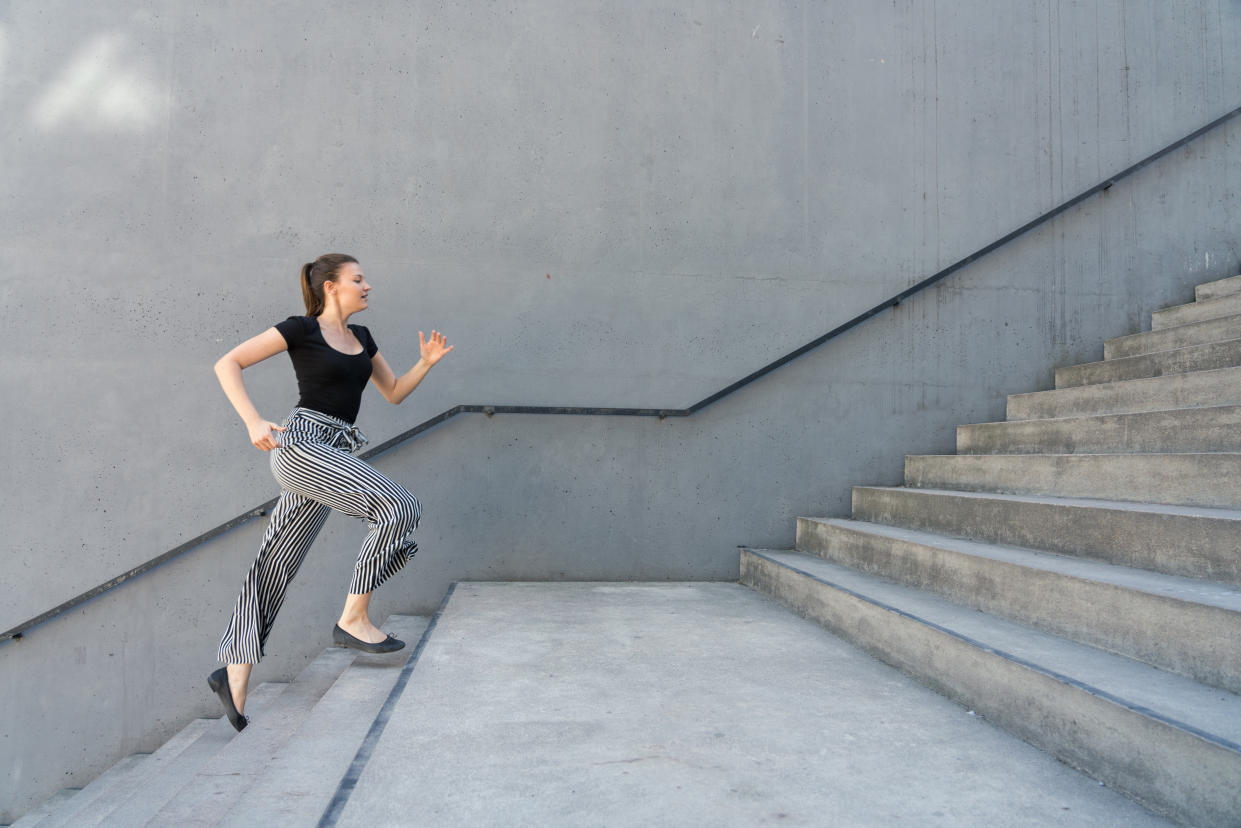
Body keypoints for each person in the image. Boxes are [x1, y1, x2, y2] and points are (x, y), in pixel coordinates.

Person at [207, 253, 452, 731]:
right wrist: (253, 420)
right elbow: (228, 362)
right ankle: (352, 619)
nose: (367, 286)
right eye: (358, 279)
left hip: (336, 450)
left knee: (274, 563)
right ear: (331, 287)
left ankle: (232, 677)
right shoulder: (300, 329)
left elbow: (394, 391)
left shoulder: (362, 338)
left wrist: (424, 364)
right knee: (398, 507)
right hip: (301, 445)